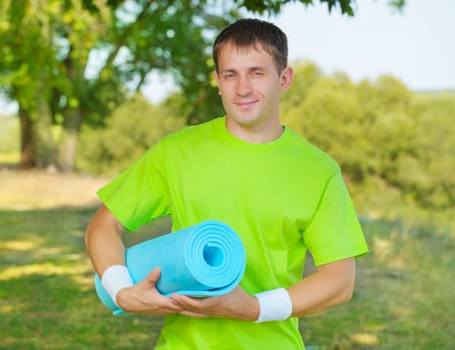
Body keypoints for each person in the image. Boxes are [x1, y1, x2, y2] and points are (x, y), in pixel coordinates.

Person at [85, 18, 368, 349]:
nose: (242, 88)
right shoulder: (177, 151)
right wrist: (120, 290)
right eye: (230, 74)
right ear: (217, 81)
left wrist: (254, 308)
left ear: (284, 78)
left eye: (256, 73)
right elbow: (103, 225)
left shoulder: (319, 171)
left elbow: (339, 281)